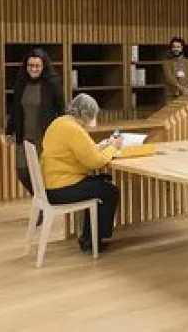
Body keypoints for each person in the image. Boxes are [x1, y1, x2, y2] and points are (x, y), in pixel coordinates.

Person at [40, 94, 123, 254]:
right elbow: (95, 162)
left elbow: (81, 152)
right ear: (85, 114)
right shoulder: (74, 129)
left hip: (52, 184)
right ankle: (95, 240)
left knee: (100, 184)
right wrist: (113, 147)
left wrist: (101, 146)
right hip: (62, 189)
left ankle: (89, 237)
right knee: (110, 191)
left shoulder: (60, 122)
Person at [5, 49, 65, 211]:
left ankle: (42, 208)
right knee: (23, 174)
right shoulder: (21, 84)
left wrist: (61, 134)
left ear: (44, 66)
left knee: (42, 175)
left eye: (37, 65)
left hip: (44, 138)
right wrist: (9, 131)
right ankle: (41, 202)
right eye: (30, 65)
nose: (33, 68)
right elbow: (15, 109)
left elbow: (61, 111)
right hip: (23, 136)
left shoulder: (52, 84)